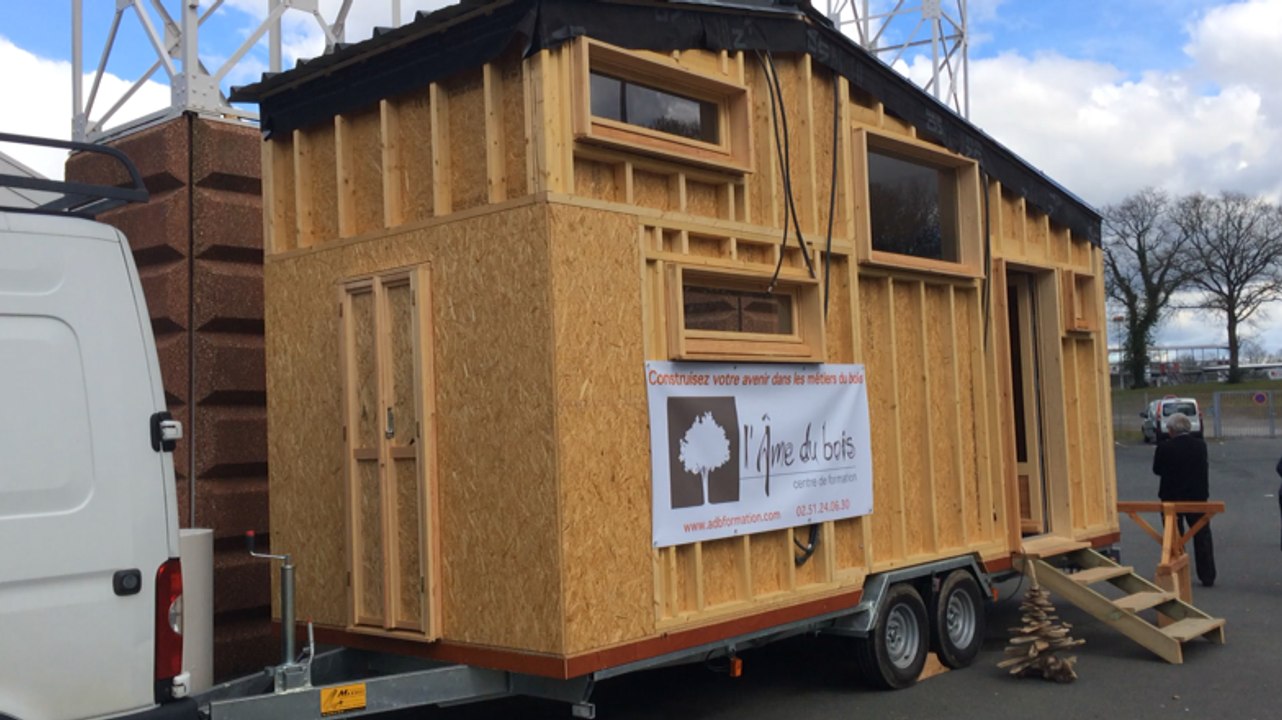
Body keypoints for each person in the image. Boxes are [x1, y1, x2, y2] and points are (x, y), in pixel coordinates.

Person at [1151, 412, 1216, 586]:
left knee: (1174, 537)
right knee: (1202, 536)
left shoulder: (1164, 448)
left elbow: (1157, 470)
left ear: (1171, 430)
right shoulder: (1200, 446)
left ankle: (1178, 572)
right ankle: (1207, 574)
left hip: (1171, 497)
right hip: (1197, 497)